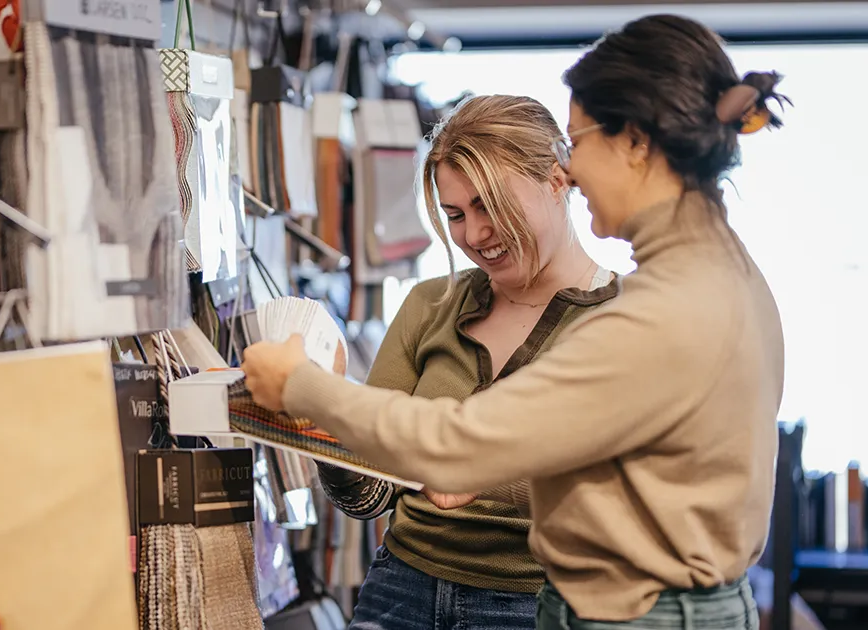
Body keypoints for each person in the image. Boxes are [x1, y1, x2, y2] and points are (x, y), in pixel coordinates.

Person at [242, 14, 786, 629]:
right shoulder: (724, 275)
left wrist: (301, 384)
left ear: (635, 142)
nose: (571, 169)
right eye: (455, 214)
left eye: (577, 143)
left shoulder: (658, 311)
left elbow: (455, 445)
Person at [316, 94, 619, 630]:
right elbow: (371, 495)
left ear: (557, 180)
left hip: (537, 605)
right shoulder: (430, 304)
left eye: (491, 206)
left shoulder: (626, 324)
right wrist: (323, 426)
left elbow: (623, 503)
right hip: (399, 590)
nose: (474, 236)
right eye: (455, 215)